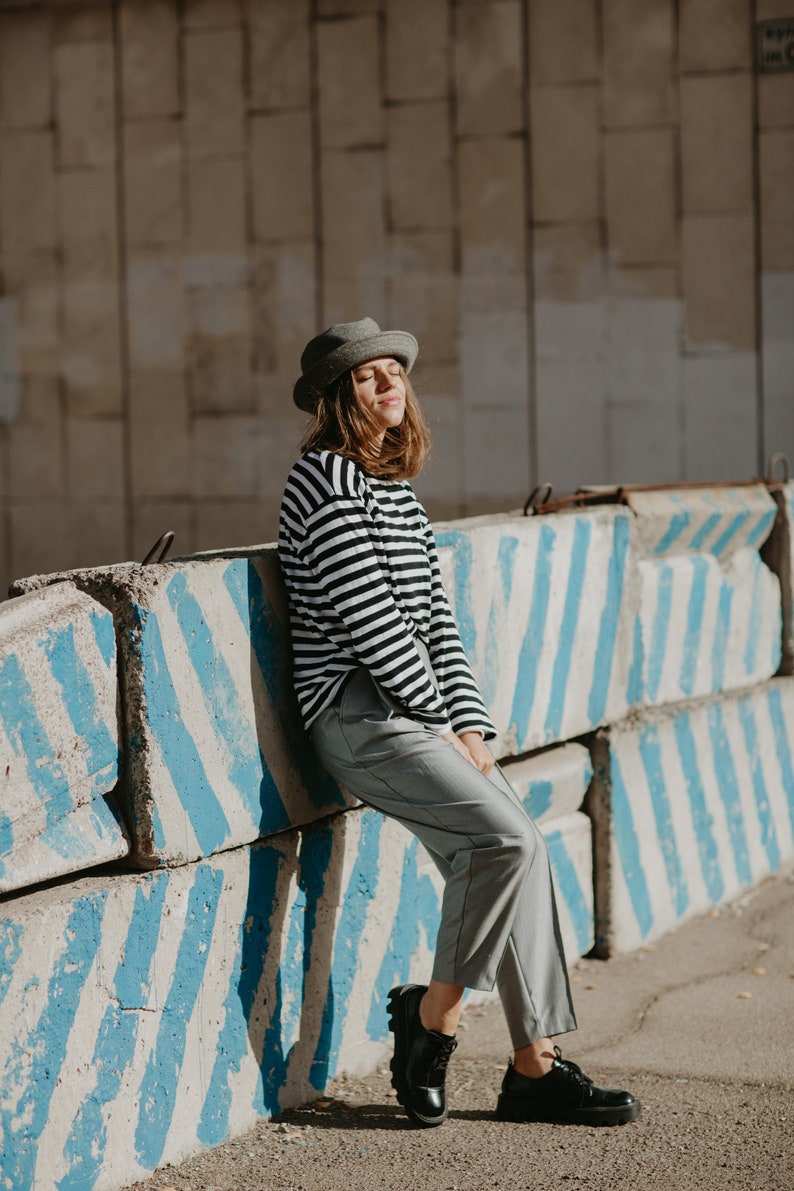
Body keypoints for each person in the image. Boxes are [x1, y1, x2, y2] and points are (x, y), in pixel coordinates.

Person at [278, 318, 639, 1130]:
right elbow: (372, 623)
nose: (389, 384)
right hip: (359, 717)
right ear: (337, 397)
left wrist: (469, 729)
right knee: (504, 841)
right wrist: (437, 721)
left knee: (520, 848)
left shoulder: (397, 494)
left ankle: (534, 1066)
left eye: (395, 371)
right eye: (367, 375)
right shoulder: (322, 480)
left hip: (418, 718)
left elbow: (438, 622)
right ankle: (431, 1020)